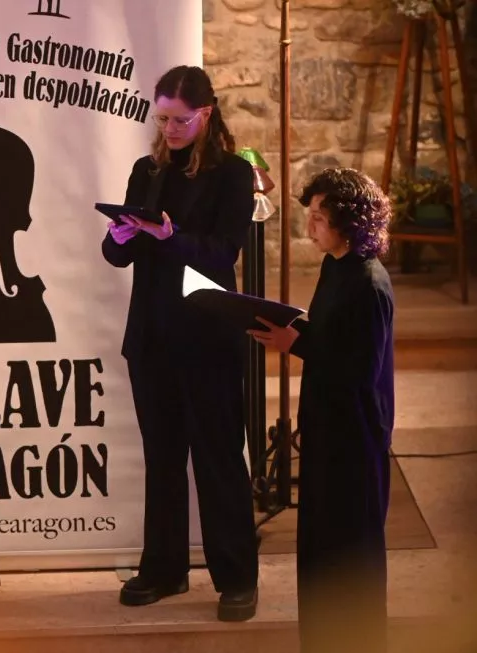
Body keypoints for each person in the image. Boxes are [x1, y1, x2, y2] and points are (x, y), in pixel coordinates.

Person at [102, 65, 259, 621]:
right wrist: (120, 235)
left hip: (208, 333)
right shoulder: (147, 171)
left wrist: (171, 238)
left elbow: (222, 254)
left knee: (218, 457)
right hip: (151, 333)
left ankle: (237, 577)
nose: (168, 128)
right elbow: (117, 255)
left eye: (179, 119)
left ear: (206, 115)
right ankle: (164, 569)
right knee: (162, 457)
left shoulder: (233, 175)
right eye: (162, 117)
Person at [248, 168, 394, 653]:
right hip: (327, 432)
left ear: (349, 222)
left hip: (354, 441)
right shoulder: (336, 266)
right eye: (308, 215)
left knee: (349, 557)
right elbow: (333, 338)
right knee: (320, 551)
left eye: (318, 217)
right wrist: (289, 333)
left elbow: (360, 372)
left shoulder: (369, 283)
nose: (308, 226)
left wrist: (299, 345)